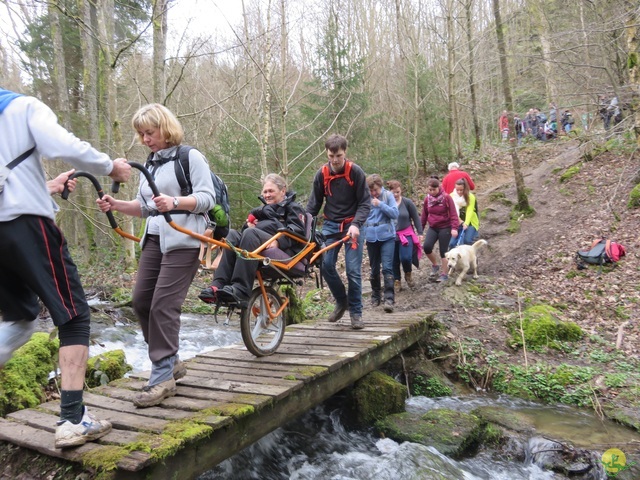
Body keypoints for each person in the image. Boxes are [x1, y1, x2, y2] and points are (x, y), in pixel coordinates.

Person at [0, 88, 131, 449]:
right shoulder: (21, 106)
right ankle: (73, 420)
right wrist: (110, 166)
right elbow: (61, 144)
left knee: (21, 320)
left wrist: (48, 186)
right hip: (27, 225)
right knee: (73, 316)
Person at [96, 104, 215, 408]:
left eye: (149, 132)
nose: (145, 139)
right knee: (141, 302)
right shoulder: (151, 163)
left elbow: (206, 198)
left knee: (164, 305)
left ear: (165, 128)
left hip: (185, 238)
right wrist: (116, 205)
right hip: (154, 238)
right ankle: (170, 361)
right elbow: (145, 206)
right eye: (141, 134)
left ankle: (161, 376)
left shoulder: (190, 157)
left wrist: (175, 201)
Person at [198, 173, 306, 305]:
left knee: (250, 233)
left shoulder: (293, 207)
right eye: (265, 192)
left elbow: (298, 230)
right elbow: (244, 235)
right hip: (257, 241)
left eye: (271, 191)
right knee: (232, 234)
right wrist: (248, 225)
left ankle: (240, 288)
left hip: (285, 249)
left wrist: (279, 241)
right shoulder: (262, 211)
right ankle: (217, 286)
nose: (267, 195)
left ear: (283, 190)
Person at [306, 134, 371, 330]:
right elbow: (313, 205)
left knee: (352, 270)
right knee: (326, 265)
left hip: (353, 225)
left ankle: (356, 312)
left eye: (339, 156)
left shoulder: (355, 172)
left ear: (345, 153)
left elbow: (365, 203)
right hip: (331, 226)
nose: (335, 160)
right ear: (327, 153)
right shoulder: (322, 174)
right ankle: (341, 301)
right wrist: (305, 226)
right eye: (331, 156)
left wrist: (356, 224)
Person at [363, 174, 398, 313]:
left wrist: (381, 205)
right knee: (374, 268)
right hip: (371, 237)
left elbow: (395, 213)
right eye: (371, 191)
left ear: (380, 186)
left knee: (387, 267)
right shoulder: (366, 198)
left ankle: (389, 298)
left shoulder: (387, 196)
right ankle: (375, 295)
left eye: (375, 190)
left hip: (387, 236)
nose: (373, 193)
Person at [420, 177, 459, 283]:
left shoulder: (446, 198)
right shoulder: (427, 199)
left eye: (434, 190)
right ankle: (435, 265)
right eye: (430, 190)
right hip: (433, 227)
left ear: (439, 188)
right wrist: (420, 230)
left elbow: (453, 214)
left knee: (443, 251)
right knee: (427, 247)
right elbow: (424, 215)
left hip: (445, 227)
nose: (432, 192)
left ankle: (444, 274)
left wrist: (454, 228)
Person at [387, 180, 423, 292]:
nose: (396, 195)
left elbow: (416, 218)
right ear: (389, 192)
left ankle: (408, 273)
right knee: (394, 260)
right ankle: (397, 280)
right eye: (393, 193)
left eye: (398, 192)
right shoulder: (386, 204)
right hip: (391, 235)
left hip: (406, 234)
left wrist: (420, 233)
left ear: (401, 190)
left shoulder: (407, 202)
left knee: (406, 257)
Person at [448, 178, 479, 249]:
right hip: (456, 221)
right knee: (452, 244)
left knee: (467, 241)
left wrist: (466, 223)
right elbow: (451, 211)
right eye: (457, 190)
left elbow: (470, 210)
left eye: (461, 190)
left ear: (465, 189)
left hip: (470, 221)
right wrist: (459, 221)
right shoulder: (451, 196)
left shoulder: (470, 196)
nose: (459, 192)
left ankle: (471, 258)